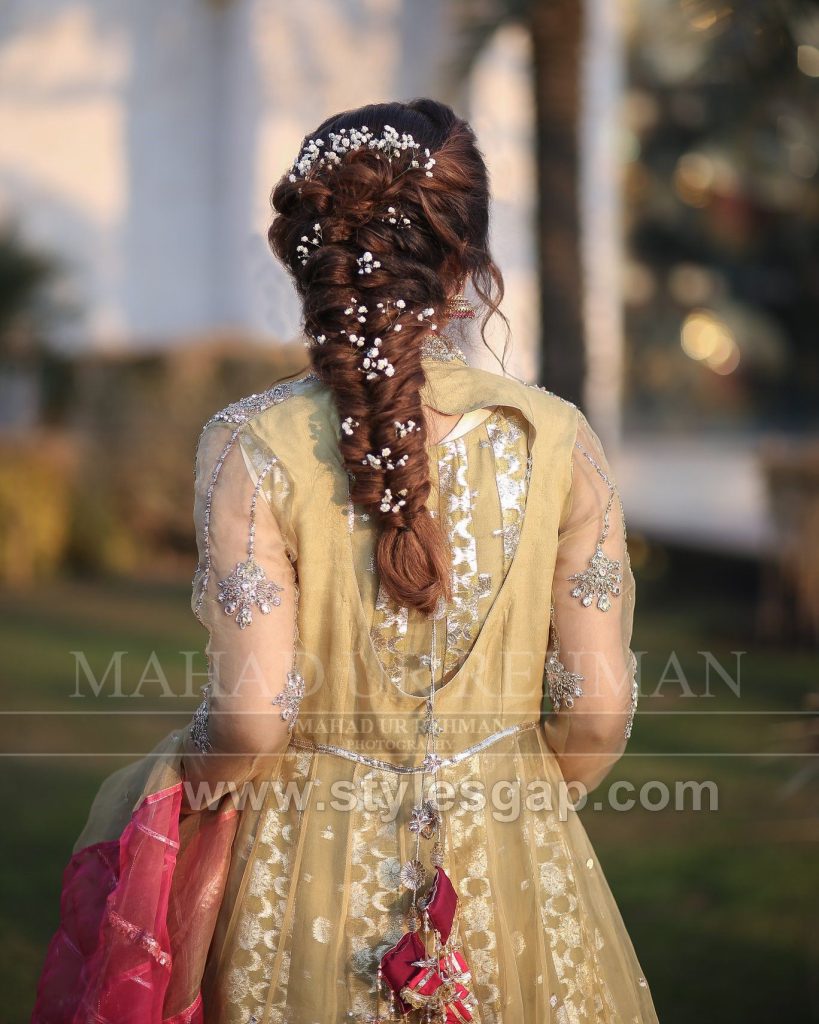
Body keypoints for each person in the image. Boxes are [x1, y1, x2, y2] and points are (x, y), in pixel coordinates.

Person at [32, 99, 658, 1024]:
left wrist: (181, 782)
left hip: (302, 883)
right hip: (518, 864)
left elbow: (251, 724)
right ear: (467, 261)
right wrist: (505, 789)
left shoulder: (254, 444)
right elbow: (597, 713)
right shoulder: (555, 439)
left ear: (309, 260)